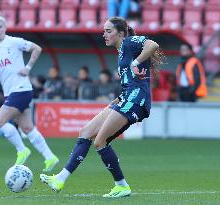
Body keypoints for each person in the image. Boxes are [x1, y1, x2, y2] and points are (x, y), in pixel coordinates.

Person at [40, 17, 162, 197]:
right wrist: (119, 97)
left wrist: (135, 63)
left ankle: (121, 186)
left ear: (121, 33)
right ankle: (60, 178)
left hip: (137, 100)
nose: (104, 34)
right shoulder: (121, 51)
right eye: (104, 31)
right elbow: (131, 80)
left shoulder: (128, 42)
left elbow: (153, 45)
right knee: (86, 131)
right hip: (127, 98)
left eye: (108, 31)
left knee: (100, 141)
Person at [0, 12, 59, 171]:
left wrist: (28, 68)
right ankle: (50, 157)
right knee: (27, 128)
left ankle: (22, 150)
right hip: (11, 92)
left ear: (5, 27)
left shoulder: (14, 42)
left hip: (21, 90)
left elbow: (37, 48)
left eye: (0, 26)